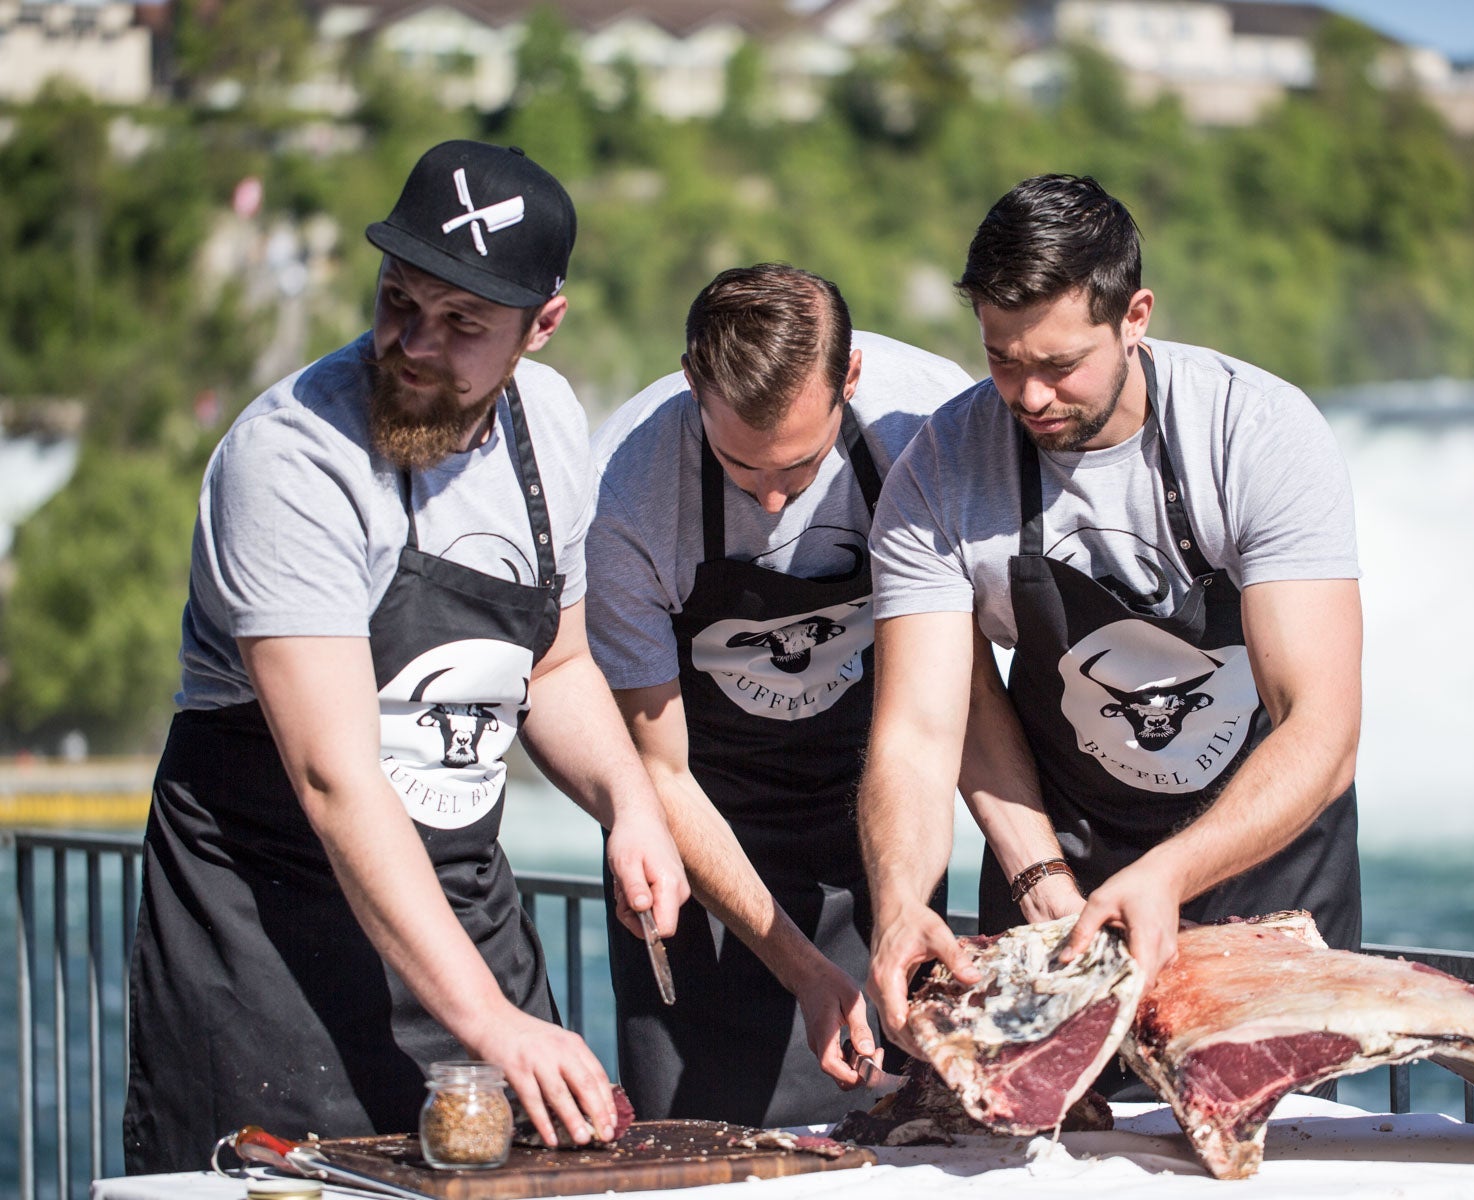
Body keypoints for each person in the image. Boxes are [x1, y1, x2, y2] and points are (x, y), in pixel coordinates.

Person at [124, 141, 690, 1174]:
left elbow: (554, 670)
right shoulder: (292, 460)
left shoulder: (551, 426)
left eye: (464, 323)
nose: (414, 344)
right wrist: (494, 1022)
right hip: (268, 951)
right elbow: (336, 777)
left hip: (463, 916)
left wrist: (630, 800)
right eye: (399, 300)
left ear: (541, 327)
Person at [859, 175, 1364, 1062]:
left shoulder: (1258, 433)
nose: (1031, 396)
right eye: (1002, 361)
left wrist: (1170, 873)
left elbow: (1322, 728)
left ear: (1135, 316)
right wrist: (914, 900)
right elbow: (923, 727)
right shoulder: (940, 469)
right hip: (1056, 862)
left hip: (1266, 864)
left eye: (1059, 365)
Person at [584, 264, 973, 1126]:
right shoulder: (624, 492)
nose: (769, 497)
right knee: (701, 1148)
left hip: (876, 812)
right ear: (693, 381)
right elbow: (659, 772)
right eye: (738, 466)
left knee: (913, 1143)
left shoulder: (929, 427)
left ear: (854, 377)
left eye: (799, 467)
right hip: (706, 832)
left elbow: (946, 706)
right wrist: (803, 970)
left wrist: (904, 903)